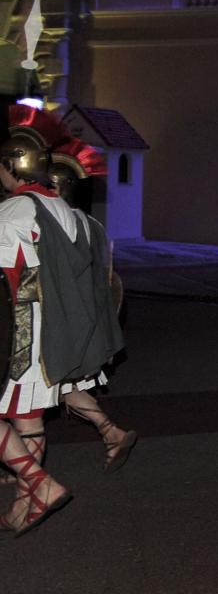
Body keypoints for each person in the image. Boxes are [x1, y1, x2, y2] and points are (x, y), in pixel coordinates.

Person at [0, 155, 133, 536]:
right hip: (70, 333)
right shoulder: (85, 221)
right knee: (30, 416)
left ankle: (37, 482)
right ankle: (25, 504)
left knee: (32, 409)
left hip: (27, 334)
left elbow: (13, 275)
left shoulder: (16, 211)